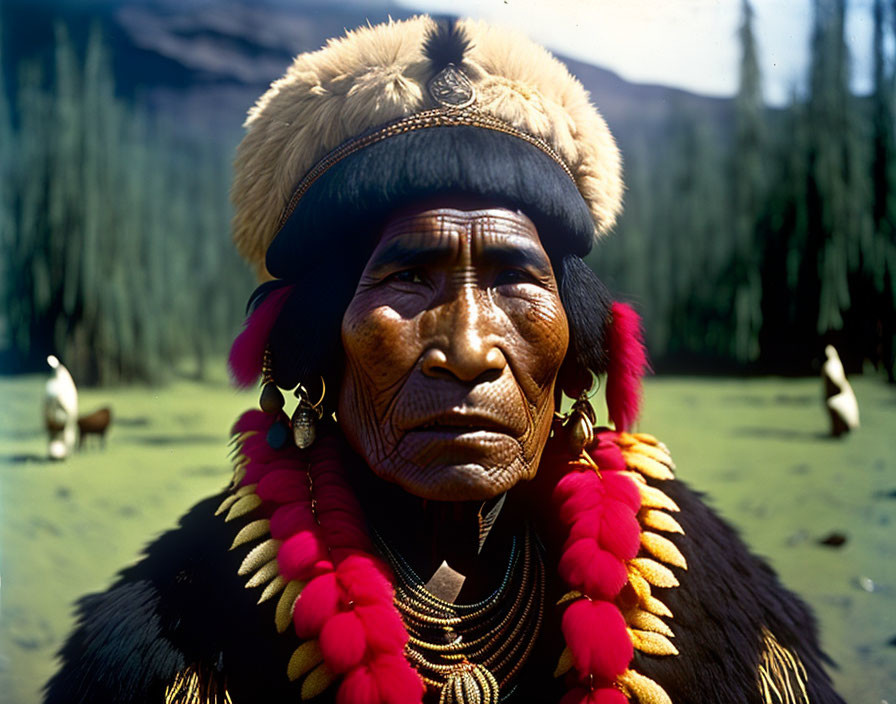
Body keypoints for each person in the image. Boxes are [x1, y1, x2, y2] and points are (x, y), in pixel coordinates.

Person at [45, 16, 844, 704]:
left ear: (577, 343)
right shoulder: (183, 634)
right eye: (407, 275)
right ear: (318, 342)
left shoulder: (711, 606)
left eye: (515, 279)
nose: (468, 349)